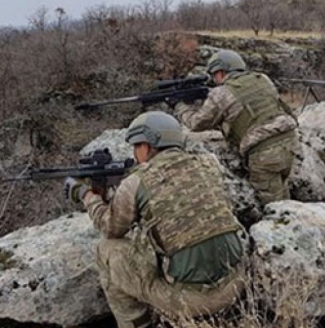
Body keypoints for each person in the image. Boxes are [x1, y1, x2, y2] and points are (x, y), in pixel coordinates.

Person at [64, 111, 245, 328]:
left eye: (136, 146)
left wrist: (88, 196)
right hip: (236, 283)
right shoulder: (209, 163)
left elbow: (110, 228)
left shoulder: (135, 182)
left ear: (147, 146)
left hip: (192, 301)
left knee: (107, 250)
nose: (134, 152)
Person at [173, 50, 298, 205]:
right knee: (282, 193)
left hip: (264, 153)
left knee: (272, 205)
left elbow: (196, 123)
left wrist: (180, 107)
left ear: (221, 71)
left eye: (214, 75)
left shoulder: (221, 93)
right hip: (289, 142)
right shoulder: (262, 79)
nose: (214, 79)